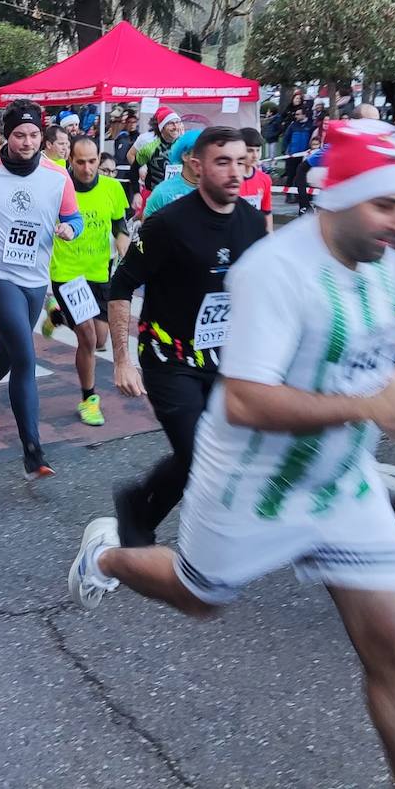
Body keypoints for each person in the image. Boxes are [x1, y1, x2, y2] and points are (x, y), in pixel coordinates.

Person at [68, 122, 395, 789]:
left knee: (394, 647)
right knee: (200, 597)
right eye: (384, 204)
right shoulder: (275, 266)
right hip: (249, 475)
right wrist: (372, 407)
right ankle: (106, 554)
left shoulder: (384, 259)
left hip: (340, 480)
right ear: (342, 196)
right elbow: (243, 402)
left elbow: (370, 349)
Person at [106, 126, 266, 546]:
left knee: (208, 453)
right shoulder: (169, 224)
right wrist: (122, 360)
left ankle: (138, 507)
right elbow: (121, 285)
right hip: (168, 358)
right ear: (197, 166)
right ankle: (152, 522)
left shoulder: (251, 223)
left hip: (223, 361)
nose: (235, 171)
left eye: (240, 161)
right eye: (222, 162)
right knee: (203, 457)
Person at [0, 101, 83, 479]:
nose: (26, 142)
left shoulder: (58, 176)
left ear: (43, 137)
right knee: (25, 354)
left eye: (34, 135)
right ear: (5, 137)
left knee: (11, 347)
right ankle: (32, 450)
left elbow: (73, 217)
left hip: (35, 277)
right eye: (19, 135)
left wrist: (70, 229)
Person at [41, 135, 130, 426]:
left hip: (99, 272)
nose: (88, 168)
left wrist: (127, 261)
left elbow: (120, 227)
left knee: (101, 338)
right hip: (68, 274)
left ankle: (57, 315)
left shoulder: (113, 188)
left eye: (92, 161)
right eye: (81, 162)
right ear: (71, 161)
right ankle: (89, 399)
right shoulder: (57, 187)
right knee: (88, 337)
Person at [139, 128, 201, 217]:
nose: (204, 159)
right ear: (185, 156)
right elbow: (147, 228)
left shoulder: (214, 190)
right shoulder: (162, 192)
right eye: (199, 154)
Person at [131, 106, 185, 194]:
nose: (175, 127)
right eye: (171, 123)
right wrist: (136, 193)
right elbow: (133, 170)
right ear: (162, 127)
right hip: (155, 195)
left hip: (178, 194)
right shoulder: (150, 147)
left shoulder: (184, 145)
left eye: (177, 122)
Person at [237, 128, 274, 235]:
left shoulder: (265, 179)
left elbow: (266, 211)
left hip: (256, 234)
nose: (255, 155)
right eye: (250, 150)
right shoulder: (230, 179)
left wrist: (270, 235)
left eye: (258, 150)